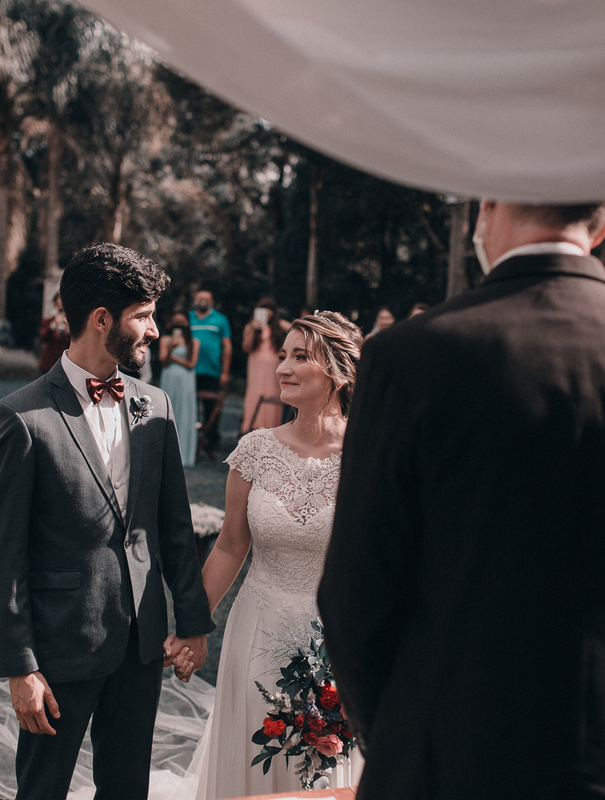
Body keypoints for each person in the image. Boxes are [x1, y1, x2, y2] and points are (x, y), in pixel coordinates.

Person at [318, 199, 605, 800]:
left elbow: (355, 596)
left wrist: (404, 735)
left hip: (442, 763)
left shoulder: (408, 357)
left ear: (489, 203)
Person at [0, 243, 213, 800]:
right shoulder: (22, 417)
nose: (154, 330)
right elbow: (3, 552)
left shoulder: (155, 405)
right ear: (101, 319)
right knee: (43, 790)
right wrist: (19, 666)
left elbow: (174, 527)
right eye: (143, 316)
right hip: (60, 643)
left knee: (127, 787)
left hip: (141, 642)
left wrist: (193, 620)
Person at [186, 312, 364, 799]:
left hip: (339, 638)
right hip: (258, 631)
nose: (283, 367)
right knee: (256, 758)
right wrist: (192, 624)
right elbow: (229, 545)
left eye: (300, 357)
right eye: (283, 355)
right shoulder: (255, 450)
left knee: (326, 768)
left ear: (338, 370)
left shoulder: (371, 454)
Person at [239, 298, 290, 435]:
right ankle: (252, 426)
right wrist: (253, 329)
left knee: (272, 392)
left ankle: (272, 428)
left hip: (273, 366)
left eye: (269, 309)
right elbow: (246, 347)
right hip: (256, 366)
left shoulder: (278, 325)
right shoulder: (251, 326)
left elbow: (295, 329)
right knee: (255, 392)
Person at [190, 290, 232, 458]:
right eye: (199, 298)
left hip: (212, 371)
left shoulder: (220, 320)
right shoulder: (189, 318)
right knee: (191, 408)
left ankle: (211, 441)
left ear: (212, 301)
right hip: (189, 371)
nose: (202, 301)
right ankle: (191, 441)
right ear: (194, 300)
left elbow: (227, 347)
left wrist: (225, 372)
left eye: (206, 299)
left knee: (211, 408)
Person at [160, 312, 200, 468]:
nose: (179, 324)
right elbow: (163, 361)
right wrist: (171, 347)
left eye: (182, 321)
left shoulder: (194, 342)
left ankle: (185, 454)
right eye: (176, 321)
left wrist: (173, 355)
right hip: (169, 377)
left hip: (186, 380)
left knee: (185, 412)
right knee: (169, 410)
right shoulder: (165, 339)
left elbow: (191, 364)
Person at [37, 292, 71, 373]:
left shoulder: (71, 322)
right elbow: (42, 337)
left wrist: (68, 330)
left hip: (65, 363)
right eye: (59, 299)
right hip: (49, 363)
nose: (61, 302)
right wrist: (54, 324)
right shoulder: (49, 321)